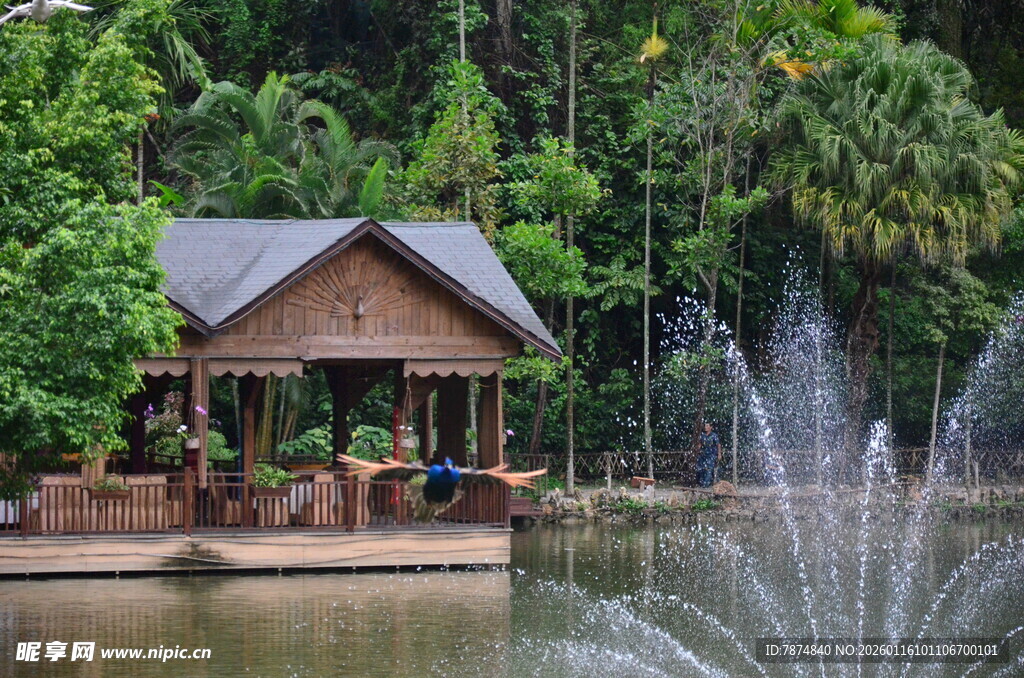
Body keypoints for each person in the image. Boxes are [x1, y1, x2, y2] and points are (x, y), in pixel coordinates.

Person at [697, 422, 722, 488]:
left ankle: (706, 484)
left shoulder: (714, 435)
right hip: (703, 454)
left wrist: (719, 454)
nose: (706, 427)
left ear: (711, 427)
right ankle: (702, 483)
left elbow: (718, 445)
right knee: (702, 468)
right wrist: (698, 449)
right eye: (705, 426)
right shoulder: (703, 435)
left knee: (709, 469)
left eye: (707, 426)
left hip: (712, 454)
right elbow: (700, 443)